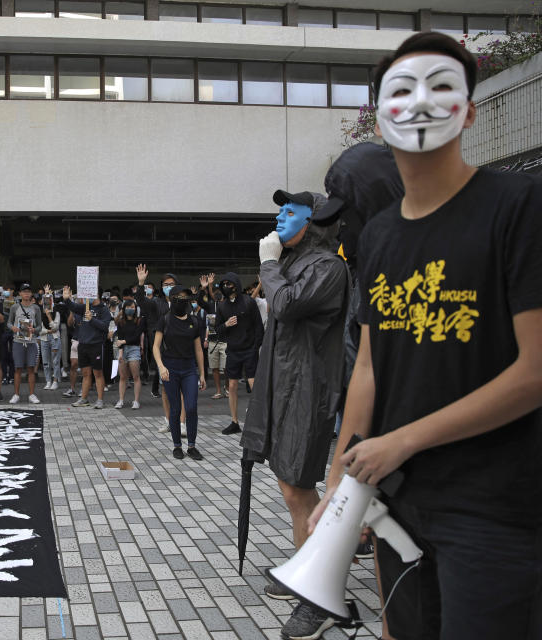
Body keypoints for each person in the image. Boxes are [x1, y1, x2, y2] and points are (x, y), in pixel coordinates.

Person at [308, 32, 542, 640]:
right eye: (400, 90)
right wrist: (336, 484)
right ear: (382, 116)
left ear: (469, 109)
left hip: (496, 506)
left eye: (441, 86)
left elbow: (535, 371)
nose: (419, 103)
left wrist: (401, 441)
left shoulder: (521, 207)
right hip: (400, 502)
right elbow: (370, 370)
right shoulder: (379, 237)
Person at [238, 189, 349, 638]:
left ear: (314, 221)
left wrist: (267, 265)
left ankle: (319, 595)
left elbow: (285, 305)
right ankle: (306, 567)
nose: (279, 218)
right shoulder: (295, 263)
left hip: (308, 389)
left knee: (298, 488)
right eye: (279, 212)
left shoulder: (328, 266)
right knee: (291, 486)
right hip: (283, 386)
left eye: (290, 212)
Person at [153, 285, 206, 460]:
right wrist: (161, 366)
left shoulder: (195, 321)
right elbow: (155, 346)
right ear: (172, 299)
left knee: (191, 407)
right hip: (170, 368)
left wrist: (202, 373)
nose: (183, 301)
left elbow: (198, 349)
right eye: (179, 297)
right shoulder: (165, 320)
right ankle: (177, 445)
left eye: (186, 298)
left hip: (189, 369)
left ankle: (192, 446)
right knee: (175, 409)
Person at [207, 272, 264, 435]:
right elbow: (216, 330)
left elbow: (258, 326)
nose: (226, 286)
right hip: (233, 350)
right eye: (223, 283)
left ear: (236, 285)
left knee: (254, 385)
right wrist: (226, 324)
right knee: (231, 385)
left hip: (249, 350)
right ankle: (234, 421)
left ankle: (259, 421)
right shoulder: (223, 306)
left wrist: (255, 347)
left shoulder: (248, 302)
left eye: (229, 283)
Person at [62, 285, 111, 409]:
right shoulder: (84, 307)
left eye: (90, 293)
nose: (86, 296)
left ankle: (100, 400)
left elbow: (105, 327)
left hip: (96, 345)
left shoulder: (103, 309)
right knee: (85, 373)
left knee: (98, 373)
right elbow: (72, 306)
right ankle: (84, 399)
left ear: (96, 294)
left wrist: (92, 319)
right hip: (82, 344)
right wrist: (67, 299)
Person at [133, 265, 175, 398]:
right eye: (165, 284)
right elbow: (141, 301)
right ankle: (163, 393)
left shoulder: (182, 302)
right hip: (161, 343)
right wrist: (141, 283)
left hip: (178, 343)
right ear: (161, 287)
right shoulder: (156, 302)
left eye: (171, 284)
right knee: (162, 369)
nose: (168, 287)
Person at [6, 283, 42, 405]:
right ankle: (16, 394)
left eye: (28, 291)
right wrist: (14, 328)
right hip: (18, 341)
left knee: (31, 368)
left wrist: (34, 330)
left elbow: (39, 326)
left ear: (31, 293)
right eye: (24, 291)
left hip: (31, 341)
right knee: (18, 369)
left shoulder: (36, 308)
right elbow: (9, 323)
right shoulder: (14, 307)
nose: (26, 293)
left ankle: (31, 394)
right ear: (20, 294)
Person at [196, 278, 228, 400]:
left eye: (219, 292)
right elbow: (199, 301)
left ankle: (227, 388)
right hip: (213, 341)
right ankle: (218, 391)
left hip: (225, 341)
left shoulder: (227, 305)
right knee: (214, 368)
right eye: (215, 293)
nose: (217, 295)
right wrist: (203, 288)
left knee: (226, 368)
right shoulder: (210, 306)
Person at [114, 299, 143, 409]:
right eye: (127, 307)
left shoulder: (139, 321)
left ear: (135, 308)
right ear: (123, 309)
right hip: (123, 349)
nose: (130, 309)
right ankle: (121, 400)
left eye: (132, 307)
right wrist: (120, 352)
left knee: (135, 376)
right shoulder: (121, 322)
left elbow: (136, 337)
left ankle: (136, 401)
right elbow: (120, 337)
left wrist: (123, 342)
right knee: (122, 376)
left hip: (134, 349)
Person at [39, 287, 62, 390]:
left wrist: (49, 316)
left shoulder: (56, 312)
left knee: (55, 361)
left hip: (55, 339)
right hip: (44, 339)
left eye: (49, 300)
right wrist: (48, 331)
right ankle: (48, 381)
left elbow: (55, 327)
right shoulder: (39, 313)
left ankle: (55, 381)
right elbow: (38, 329)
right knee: (46, 362)